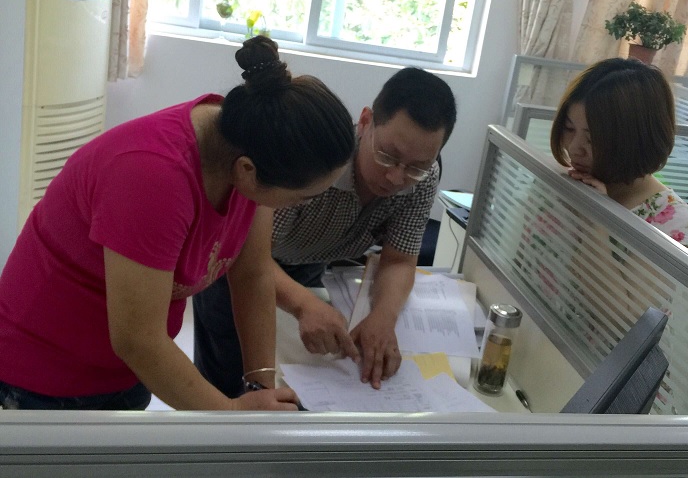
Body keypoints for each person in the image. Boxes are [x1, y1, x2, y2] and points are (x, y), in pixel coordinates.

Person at [0, 35, 356, 410]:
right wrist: (229, 413)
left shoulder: (252, 144)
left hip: (126, 369)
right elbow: (137, 339)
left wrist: (260, 382)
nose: (304, 204)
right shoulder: (153, 176)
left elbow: (252, 274)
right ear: (248, 171)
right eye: (303, 197)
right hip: (43, 372)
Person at [193, 67, 457, 395]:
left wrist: (383, 317)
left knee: (295, 378)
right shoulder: (314, 162)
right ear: (365, 122)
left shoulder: (423, 180)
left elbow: (399, 260)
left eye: (417, 166)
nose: (396, 177)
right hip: (236, 265)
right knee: (228, 382)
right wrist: (303, 303)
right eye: (388, 156)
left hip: (308, 263)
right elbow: (248, 263)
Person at [549, 57, 688, 251]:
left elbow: (599, 273)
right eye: (569, 129)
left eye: (592, 139)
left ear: (635, 141)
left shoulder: (673, 220)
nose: (573, 148)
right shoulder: (562, 178)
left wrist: (597, 217)